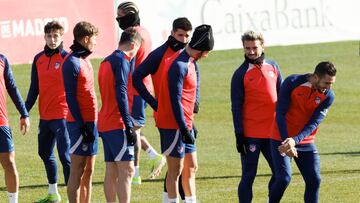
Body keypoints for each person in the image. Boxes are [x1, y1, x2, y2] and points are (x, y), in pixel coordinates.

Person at [132, 17, 193, 202]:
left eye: (187, 36)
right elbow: (136, 77)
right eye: (180, 35)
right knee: (175, 169)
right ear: (172, 32)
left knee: (186, 166)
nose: (183, 39)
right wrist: (153, 102)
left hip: (186, 118)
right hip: (168, 119)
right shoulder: (159, 54)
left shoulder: (186, 53)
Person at [153, 24, 214, 203]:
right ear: (201, 50)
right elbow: (175, 102)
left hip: (185, 124)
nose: (206, 56)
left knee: (192, 166)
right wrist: (184, 129)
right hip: (173, 125)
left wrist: (190, 126)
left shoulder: (191, 63)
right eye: (206, 52)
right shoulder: (179, 65)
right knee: (175, 171)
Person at [269, 61, 336, 203]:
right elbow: (280, 113)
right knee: (283, 178)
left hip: (305, 140)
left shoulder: (328, 96)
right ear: (316, 77)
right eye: (326, 83)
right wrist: (287, 141)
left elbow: (314, 123)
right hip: (280, 136)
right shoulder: (292, 82)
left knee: (314, 180)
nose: (328, 87)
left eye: (331, 83)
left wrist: (294, 141)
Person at [116, 1, 166, 184]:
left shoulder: (134, 36)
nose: (118, 21)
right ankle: (154, 156)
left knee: (133, 130)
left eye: (120, 17)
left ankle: (135, 172)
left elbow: (129, 61)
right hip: (141, 86)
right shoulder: (143, 30)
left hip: (136, 88)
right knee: (132, 127)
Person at [230, 30, 282, 203]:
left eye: (254, 48)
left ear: (262, 46)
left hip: (273, 134)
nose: (251, 52)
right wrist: (239, 135)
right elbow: (236, 107)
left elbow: (282, 98)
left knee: (280, 174)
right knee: (249, 175)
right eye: (247, 48)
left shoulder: (273, 67)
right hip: (251, 135)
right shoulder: (240, 74)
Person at [25, 20, 70, 203]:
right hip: (45, 117)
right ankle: (53, 193)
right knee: (44, 153)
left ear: (61, 37)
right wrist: (24, 111)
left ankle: (72, 196)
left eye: (56, 36)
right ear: (44, 37)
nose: (52, 39)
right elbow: (33, 89)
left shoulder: (68, 58)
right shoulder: (38, 59)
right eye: (49, 36)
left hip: (63, 116)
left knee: (65, 156)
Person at [97, 27, 141, 203]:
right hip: (117, 123)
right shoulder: (122, 61)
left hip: (105, 122)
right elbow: (121, 93)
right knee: (127, 170)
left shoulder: (105, 62)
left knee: (111, 170)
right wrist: (128, 124)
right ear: (133, 44)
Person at [61, 21, 99, 203]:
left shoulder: (85, 60)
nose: (95, 43)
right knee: (78, 168)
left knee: (90, 170)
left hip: (92, 121)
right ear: (85, 39)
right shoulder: (71, 62)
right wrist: (82, 124)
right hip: (78, 123)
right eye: (94, 39)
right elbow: (70, 97)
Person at [0, 53, 30, 203]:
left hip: (1, 122)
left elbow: (12, 87)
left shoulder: (2, 59)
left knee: (10, 163)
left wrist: (24, 113)